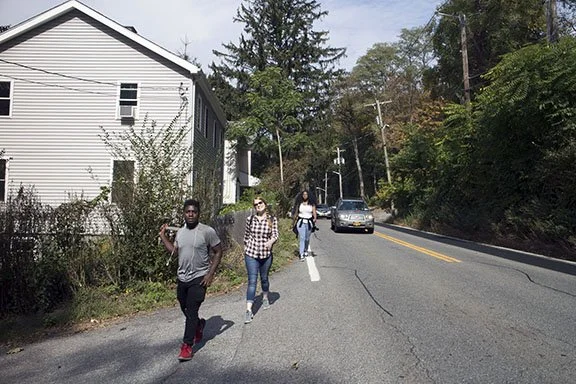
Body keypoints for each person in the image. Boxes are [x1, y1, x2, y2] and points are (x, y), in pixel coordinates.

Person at [159, 199, 222, 362]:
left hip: (199, 277)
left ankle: (186, 346)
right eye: (188, 212)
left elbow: (218, 251)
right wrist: (163, 237)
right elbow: (175, 251)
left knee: (192, 310)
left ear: (198, 213)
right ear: (184, 213)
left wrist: (210, 274)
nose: (191, 214)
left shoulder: (207, 231)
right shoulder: (180, 232)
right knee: (184, 306)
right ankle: (198, 325)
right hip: (182, 277)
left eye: (194, 212)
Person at [243, 197, 279, 324]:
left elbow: (275, 234)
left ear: (265, 203)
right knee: (252, 281)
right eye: (255, 204)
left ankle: (265, 297)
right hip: (251, 254)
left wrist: (271, 242)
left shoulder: (272, 220)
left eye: (260, 203)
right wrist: (247, 246)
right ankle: (248, 310)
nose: (258, 205)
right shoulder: (250, 219)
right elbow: (246, 236)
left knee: (264, 278)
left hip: (266, 254)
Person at [292, 190, 317, 261]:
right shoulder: (299, 203)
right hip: (301, 222)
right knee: (302, 238)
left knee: (307, 238)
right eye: (303, 194)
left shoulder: (312, 204)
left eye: (306, 194)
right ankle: (301, 254)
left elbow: (314, 212)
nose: (305, 196)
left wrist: (315, 218)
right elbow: (296, 213)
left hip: (309, 222)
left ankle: (306, 250)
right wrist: (293, 222)